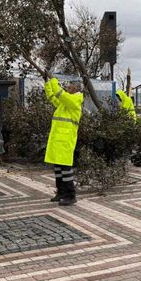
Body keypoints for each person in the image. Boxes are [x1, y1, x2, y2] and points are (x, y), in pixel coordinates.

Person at [44, 77, 84, 206]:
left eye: (70, 87)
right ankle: (61, 192)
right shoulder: (65, 103)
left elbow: (60, 94)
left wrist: (54, 81)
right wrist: (48, 82)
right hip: (58, 140)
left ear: (76, 89)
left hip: (66, 140)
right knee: (58, 168)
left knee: (66, 169)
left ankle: (70, 195)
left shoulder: (75, 100)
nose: (68, 88)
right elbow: (52, 96)